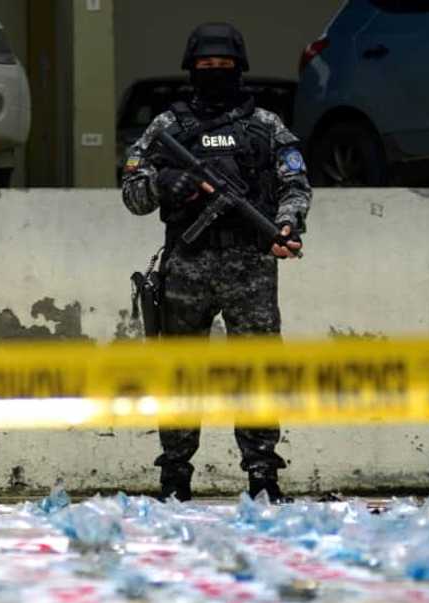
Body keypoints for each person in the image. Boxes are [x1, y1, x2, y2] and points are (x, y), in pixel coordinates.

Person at [121, 22, 311, 503]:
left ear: (239, 69)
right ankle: (175, 476)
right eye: (205, 67)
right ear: (191, 70)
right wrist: (165, 185)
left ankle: (263, 475)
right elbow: (132, 194)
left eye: (223, 67)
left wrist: (287, 225)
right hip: (187, 262)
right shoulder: (167, 129)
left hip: (250, 263)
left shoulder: (266, 127)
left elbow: (295, 185)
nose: (214, 74)